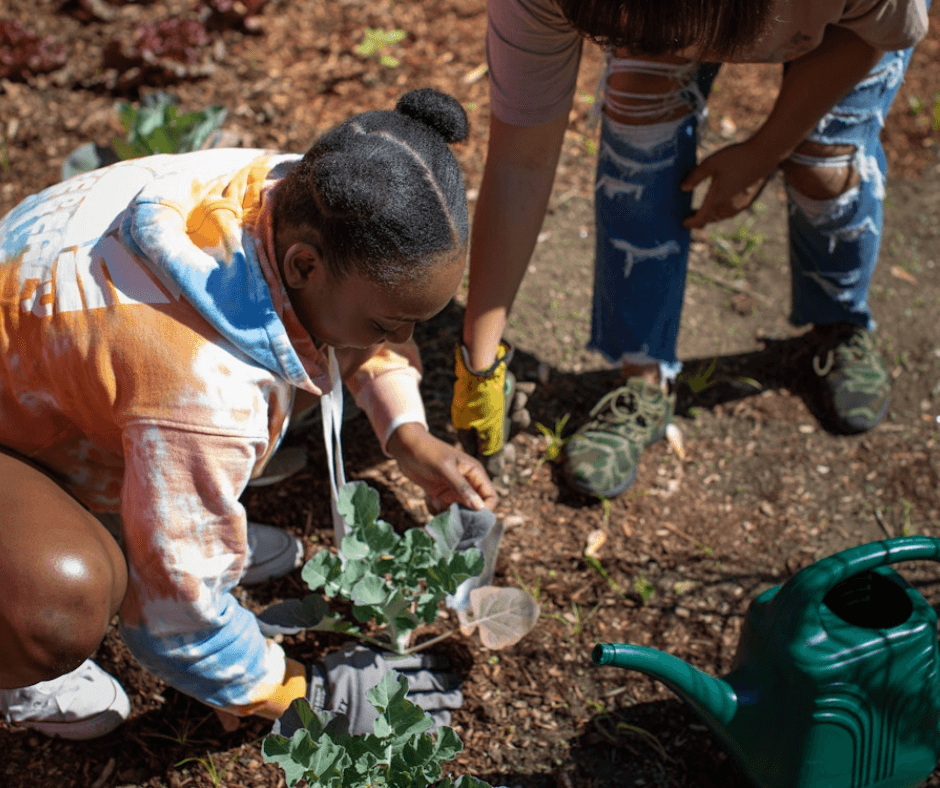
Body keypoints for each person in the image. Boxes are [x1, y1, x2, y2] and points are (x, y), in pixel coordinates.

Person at [0, 88, 495, 739]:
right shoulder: (200, 387)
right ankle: (17, 663)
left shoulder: (290, 190)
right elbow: (173, 615)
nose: (397, 337)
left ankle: (149, 517)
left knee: (303, 354)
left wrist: (405, 432)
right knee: (60, 598)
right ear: (306, 265)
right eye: (389, 323)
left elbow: (365, 322)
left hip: (38, 364)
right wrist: (295, 689)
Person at [451, 0, 930, 498]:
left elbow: (873, 35)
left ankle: (840, 323)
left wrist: (765, 151)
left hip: (845, 22)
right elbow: (520, 162)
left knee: (825, 164)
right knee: (638, 135)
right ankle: (643, 376)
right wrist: (479, 364)